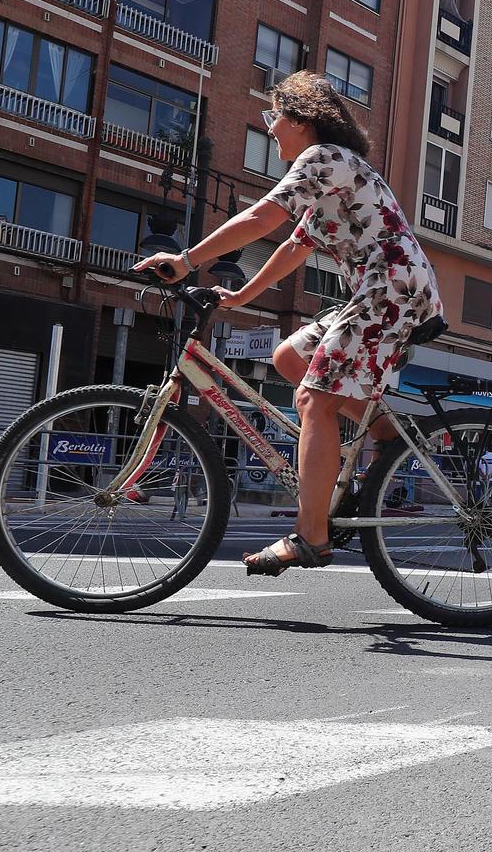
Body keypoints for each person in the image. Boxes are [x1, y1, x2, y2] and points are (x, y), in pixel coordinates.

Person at [135, 72, 444, 574]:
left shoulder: (323, 159)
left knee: (314, 398)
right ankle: (388, 435)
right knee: (288, 358)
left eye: (274, 117)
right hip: (382, 289)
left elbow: (263, 218)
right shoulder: (331, 179)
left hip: (392, 288)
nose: (271, 128)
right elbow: (290, 247)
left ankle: (311, 537)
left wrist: (188, 259)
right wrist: (239, 295)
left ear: (302, 119)